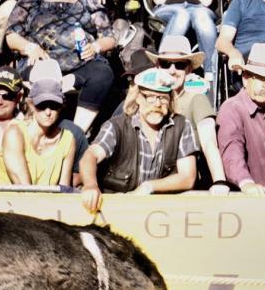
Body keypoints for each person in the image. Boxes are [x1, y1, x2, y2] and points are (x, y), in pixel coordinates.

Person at [5, 0, 115, 132]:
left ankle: (77, 133)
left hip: (80, 63)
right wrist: (29, 47)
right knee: (45, 74)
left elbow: (109, 37)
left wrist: (95, 47)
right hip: (41, 62)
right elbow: (11, 35)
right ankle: (44, 131)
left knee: (103, 73)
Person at [79, 68, 199, 212]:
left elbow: (187, 177)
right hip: (116, 209)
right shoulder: (117, 126)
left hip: (159, 211)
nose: (157, 104)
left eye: (163, 97)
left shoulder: (181, 126)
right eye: (149, 96)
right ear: (137, 97)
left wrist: (149, 186)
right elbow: (90, 156)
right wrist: (90, 185)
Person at [144, 34, 227, 188]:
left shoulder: (196, 99)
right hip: (149, 179)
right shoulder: (144, 99)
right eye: (166, 64)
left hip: (185, 184)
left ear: (189, 69)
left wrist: (219, 181)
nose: (172, 70)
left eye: (180, 65)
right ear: (157, 66)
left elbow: (209, 142)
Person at [217, 42, 265, 193]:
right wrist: (246, 183)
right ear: (245, 78)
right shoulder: (232, 108)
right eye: (259, 77)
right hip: (247, 200)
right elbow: (232, 151)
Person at [146, 0, 220, 83]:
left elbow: (206, 0)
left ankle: (210, 75)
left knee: (202, 18)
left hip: (198, 8)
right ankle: (165, 68)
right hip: (168, 8)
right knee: (182, 15)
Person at [1, 76, 77, 184]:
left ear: (60, 107)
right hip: (14, 200)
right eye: (42, 105)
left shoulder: (67, 139)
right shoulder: (15, 133)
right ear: (31, 105)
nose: (48, 112)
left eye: (54, 106)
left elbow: (64, 189)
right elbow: (24, 189)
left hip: (49, 200)